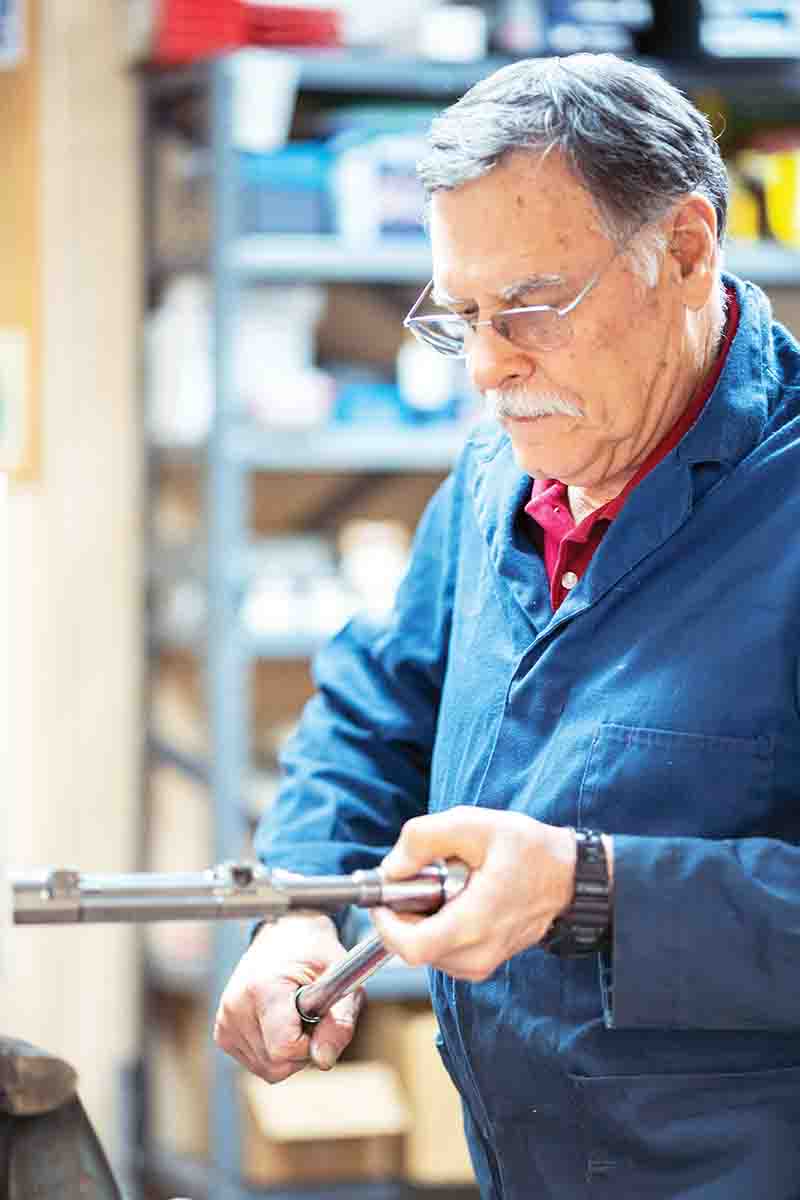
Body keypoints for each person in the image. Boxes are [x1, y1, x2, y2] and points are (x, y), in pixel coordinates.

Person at [215, 52, 800, 1198]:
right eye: (462, 316)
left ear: (683, 249)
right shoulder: (500, 470)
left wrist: (591, 889)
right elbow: (372, 707)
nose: (487, 368)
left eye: (530, 306)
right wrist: (300, 908)